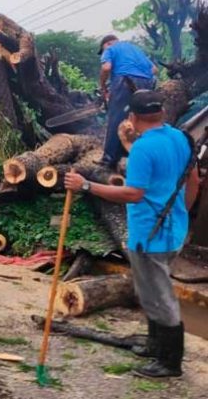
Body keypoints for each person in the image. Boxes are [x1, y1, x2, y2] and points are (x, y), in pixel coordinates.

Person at [64, 90, 200, 378]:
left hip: (149, 236)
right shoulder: (180, 138)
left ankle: (169, 362)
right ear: (161, 113)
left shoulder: (143, 149)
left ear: (133, 117)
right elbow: (194, 183)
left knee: (159, 296)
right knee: (151, 291)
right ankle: (155, 345)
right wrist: (180, 215)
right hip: (174, 231)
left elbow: (132, 193)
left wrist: (86, 185)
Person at [98, 34, 158, 167]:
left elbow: (106, 68)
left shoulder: (110, 49)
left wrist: (103, 85)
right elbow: (154, 69)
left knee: (117, 117)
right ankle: (135, 155)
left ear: (107, 44)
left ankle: (109, 159)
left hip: (124, 81)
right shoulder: (135, 49)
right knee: (139, 120)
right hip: (146, 83)